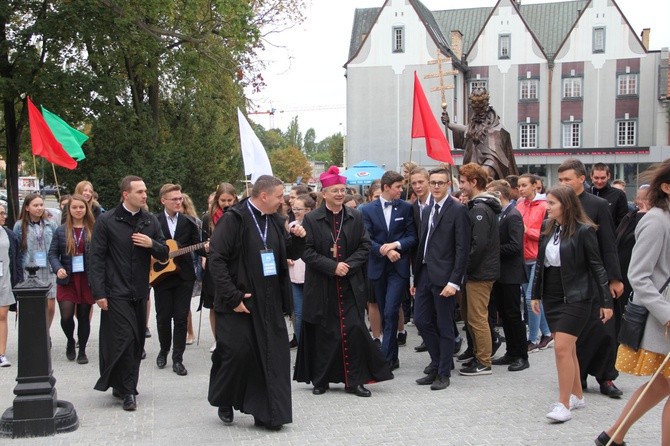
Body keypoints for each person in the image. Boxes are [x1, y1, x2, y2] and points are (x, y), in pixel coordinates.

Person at [207, 175, 306, 430]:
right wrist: (232, 297)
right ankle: (225, 399)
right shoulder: (234, 219)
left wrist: (298, 238)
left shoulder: (275, 221)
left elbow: (290, 254)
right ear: (264, 196)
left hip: (269, 301)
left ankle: (269, 414)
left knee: (272, 356)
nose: (282, 200)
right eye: (279, 196)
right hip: (240, 301)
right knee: (237, 354)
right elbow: (216, 260)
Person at [294, 166, 393, 398]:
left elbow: (365, 245)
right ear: (324, 193)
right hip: (321, 285)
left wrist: (346, 265)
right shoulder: (311, 219)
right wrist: (332, 267)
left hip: (349, 285)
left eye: (342, 190)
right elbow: (305, 252)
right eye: (334, 190)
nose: (339, 194)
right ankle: (321, 380)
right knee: (324, 333)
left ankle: (354, 381)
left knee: (354, 330)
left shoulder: (355, 216)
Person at [596, 158, 670, 446]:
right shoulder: (655, 219)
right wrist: (667, 314)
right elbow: (638, 277)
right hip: (662, 318)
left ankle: (613, 434)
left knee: (661, 385)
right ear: (665, 186)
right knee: (662, 385)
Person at [531, 185, 612, 422]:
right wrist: (535, 294)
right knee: (570, 349)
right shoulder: (548, 229)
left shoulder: (585, 231)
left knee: (561, 349)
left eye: (552, 203)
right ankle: (577, 395)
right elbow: (539, 264)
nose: (547, 207)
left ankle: (563, 404)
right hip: (552, 296)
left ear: (565, 205)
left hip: (577, 297)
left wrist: (606, 301)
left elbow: (597, 266)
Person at [90, 175, 169, 411]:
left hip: (140, 291)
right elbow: (96, 259)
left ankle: (121, 383)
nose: (145, 195)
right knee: (124, 339)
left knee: (135, 343)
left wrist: (151, 244)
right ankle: (128, 391)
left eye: (145, 191)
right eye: (139, 192)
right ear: (126, 194)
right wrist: (99, 292)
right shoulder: (107, 220)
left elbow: (165, 252)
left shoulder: (150, 221)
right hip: (116, 291)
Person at [558, 158, 625, 398]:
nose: (564, 183)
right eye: (560, 180)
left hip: (596, 276)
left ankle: (606, 377)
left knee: (604, 329)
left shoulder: (598, 204)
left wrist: (614, 278)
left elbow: (609, 244)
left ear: (581, 179)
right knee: (578, 330)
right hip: (569, 279)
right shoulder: (559, 205)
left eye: (568, 179)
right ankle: (579, 376)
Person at [412, 167, 471, 390]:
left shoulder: (457, 210)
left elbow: (462, 249)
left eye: (441, 183)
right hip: (425, 273)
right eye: (433, 182)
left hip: (445, 277)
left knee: (445, 325)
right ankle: (437, 363)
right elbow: (422, 245)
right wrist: (415, 280)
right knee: (421, 320)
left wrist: (454, 282)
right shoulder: (427, 210)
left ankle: (444, 372)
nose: (436, 186)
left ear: (449, 185)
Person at [361, 170, 417, 370]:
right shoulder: (367, 210)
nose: (401, 191)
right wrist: (383, 250)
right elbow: (366, 239)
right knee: (385, 313)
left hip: (398, 268)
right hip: (377, 267)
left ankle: (384, 358)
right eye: (398, 187)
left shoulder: (405, 208)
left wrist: (395, 245)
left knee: (392, 309)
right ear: (386, 187)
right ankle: (392, 357)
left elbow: (412, 236)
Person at [153, 184, 205, 377]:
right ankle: (164, 349)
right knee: (163, 317)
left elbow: (197, 247)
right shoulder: (154, 221)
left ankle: (178, 358)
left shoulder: (189, 222)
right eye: (174, 199)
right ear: (163, 201)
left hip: (184, 276)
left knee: (181, 318)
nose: (178, 202)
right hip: (161, 276)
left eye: (180, 198)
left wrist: (207, 248)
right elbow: (149, 248)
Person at [458, 163, 501, 376]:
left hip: (479, 273)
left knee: (477, 318)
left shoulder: (481, 209)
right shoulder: (477, 206)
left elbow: (478, 245)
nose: (461, 186)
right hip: (476, 272)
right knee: (470, 316)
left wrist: (464, 268)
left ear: (474, 182)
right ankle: (478, 354)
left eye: (463, 182)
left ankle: (484, 361)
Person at [486, 180, 529, 372]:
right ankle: (511, 352)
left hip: (510, 273)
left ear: (498, 195)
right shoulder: (500, 214)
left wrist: (491, 249)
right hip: (499, 272)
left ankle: (521, 355)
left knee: (513, 315)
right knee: (504, 314)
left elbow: (515, 245)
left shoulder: (513, 215)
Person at [48, 194, 95, 364]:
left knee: (83, 316)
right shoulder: (61, 230)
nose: (78, 210)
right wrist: (58, 267)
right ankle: (70, 340)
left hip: (86, 279)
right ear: (69, 209)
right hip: (67, 278)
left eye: (81, 207)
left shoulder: (93, 228)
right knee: (66, 316)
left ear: (86, 209)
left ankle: (82, 350)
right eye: (74, 207)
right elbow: (52, 253)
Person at [442, 87, 519, 180]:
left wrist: (482, 174)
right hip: (471, 166)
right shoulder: (474, 123)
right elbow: (468, 131)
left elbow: (495, 158)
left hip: (486, 174)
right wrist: (449, 124)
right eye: (474, 107)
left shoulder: (497, 130)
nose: (477, 110)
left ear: (486, 105)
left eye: (480, 107)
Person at [516, 173, 553, 352]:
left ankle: (532, 338)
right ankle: (546, 333)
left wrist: (527, 230)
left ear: (534, 186)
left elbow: (547, 235)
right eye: (519, 186)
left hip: (538, 257)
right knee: (532, 298)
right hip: (522, 258)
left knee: (532, 298)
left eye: (524, 185)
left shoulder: (544, 206)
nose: (521, 189)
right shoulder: (519, 204)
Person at [201, 182, 238, 351]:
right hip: (214, 264)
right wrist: (205, 248)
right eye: (223, 200)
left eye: (229, 200)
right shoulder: (208, 217)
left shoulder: (240, 215)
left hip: (234, 264)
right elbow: (201, 244)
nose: (226, 204)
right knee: (215, 304)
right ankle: (217, 338)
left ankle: (232, 337)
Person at [13, 194, 58, 330]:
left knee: (50, 304)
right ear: (27, 207)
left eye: (41, 205)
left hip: (48, 266)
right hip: (29, 267)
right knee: (32, 303)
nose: (39, 208)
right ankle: (33, 331)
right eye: (35, 205)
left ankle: (45, 332)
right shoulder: (20, 225)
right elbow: (17, 248)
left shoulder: (51, 224)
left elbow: (56, 245)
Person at [287, 193, 316, 346]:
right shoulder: (290, 226)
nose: (296, 212)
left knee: (314, 314)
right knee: (298, 314)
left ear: (309, 209)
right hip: (294, 277)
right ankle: (302, 348)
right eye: (294, 209)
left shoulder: (316, 226)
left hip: (313, 276)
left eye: (299, 209)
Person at [0, 205, 23, 367]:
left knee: (2, 316)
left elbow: (16, 260)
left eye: (3, 212)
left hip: (4, 280)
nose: (3, 216)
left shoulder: (9, 234)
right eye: (0, 213)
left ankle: (1, 353)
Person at [589, 163, 629, 228]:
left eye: (603, 178)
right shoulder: (586, 193)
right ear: (591, 176)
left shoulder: (618, 195)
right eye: (596, 178)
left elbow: (623, 223)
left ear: (608, 176)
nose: (599, 181)